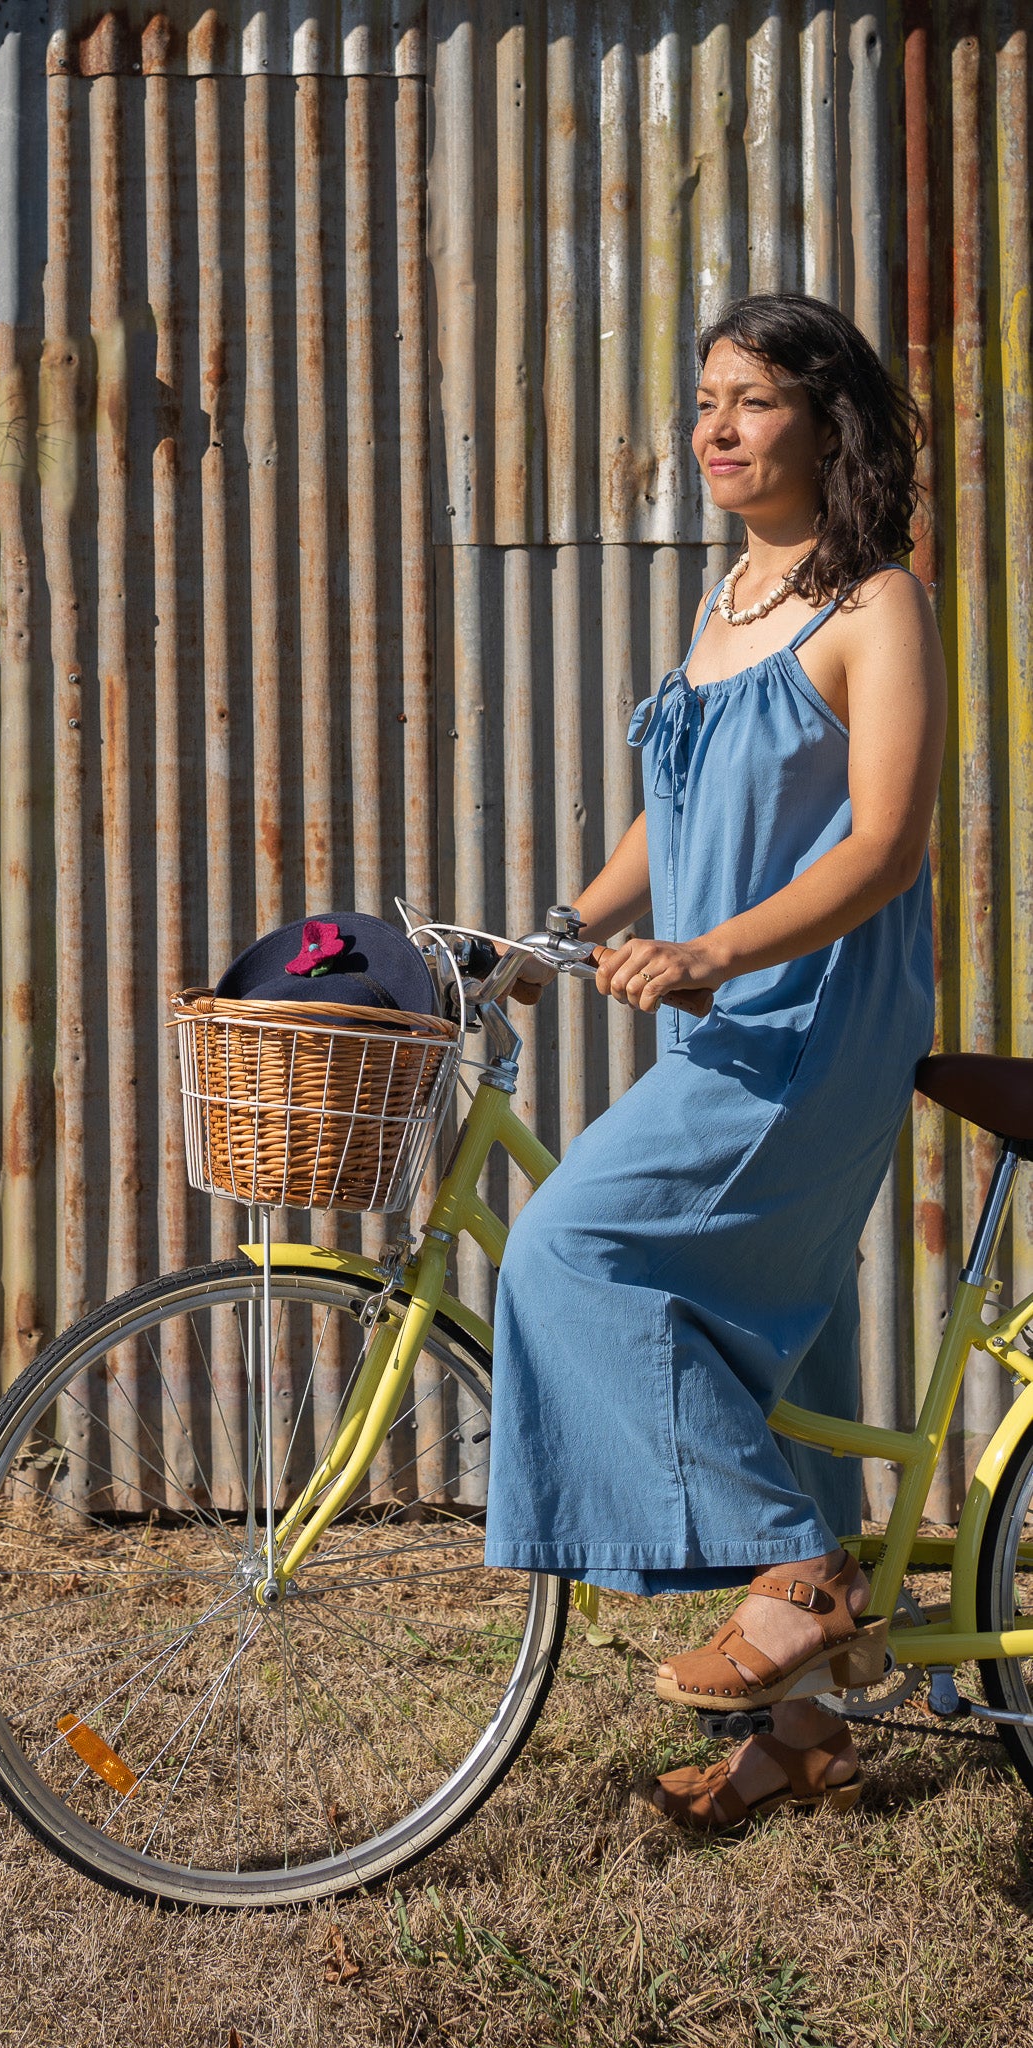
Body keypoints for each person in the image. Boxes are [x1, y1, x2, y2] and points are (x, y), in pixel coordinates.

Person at [485, 292, 946, 1829]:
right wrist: (552, 930)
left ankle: (797, 1586)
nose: (716, 431)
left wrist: (710, 952)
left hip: (808, 1026)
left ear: (825, 420)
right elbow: (669, 815)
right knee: (778, 1362)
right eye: (703, 403)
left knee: (566, 1250)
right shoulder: (731, 594)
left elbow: (883, 844)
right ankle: (806, 1743)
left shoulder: (872, 605)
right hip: (733, 1018)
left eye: (751, 401)